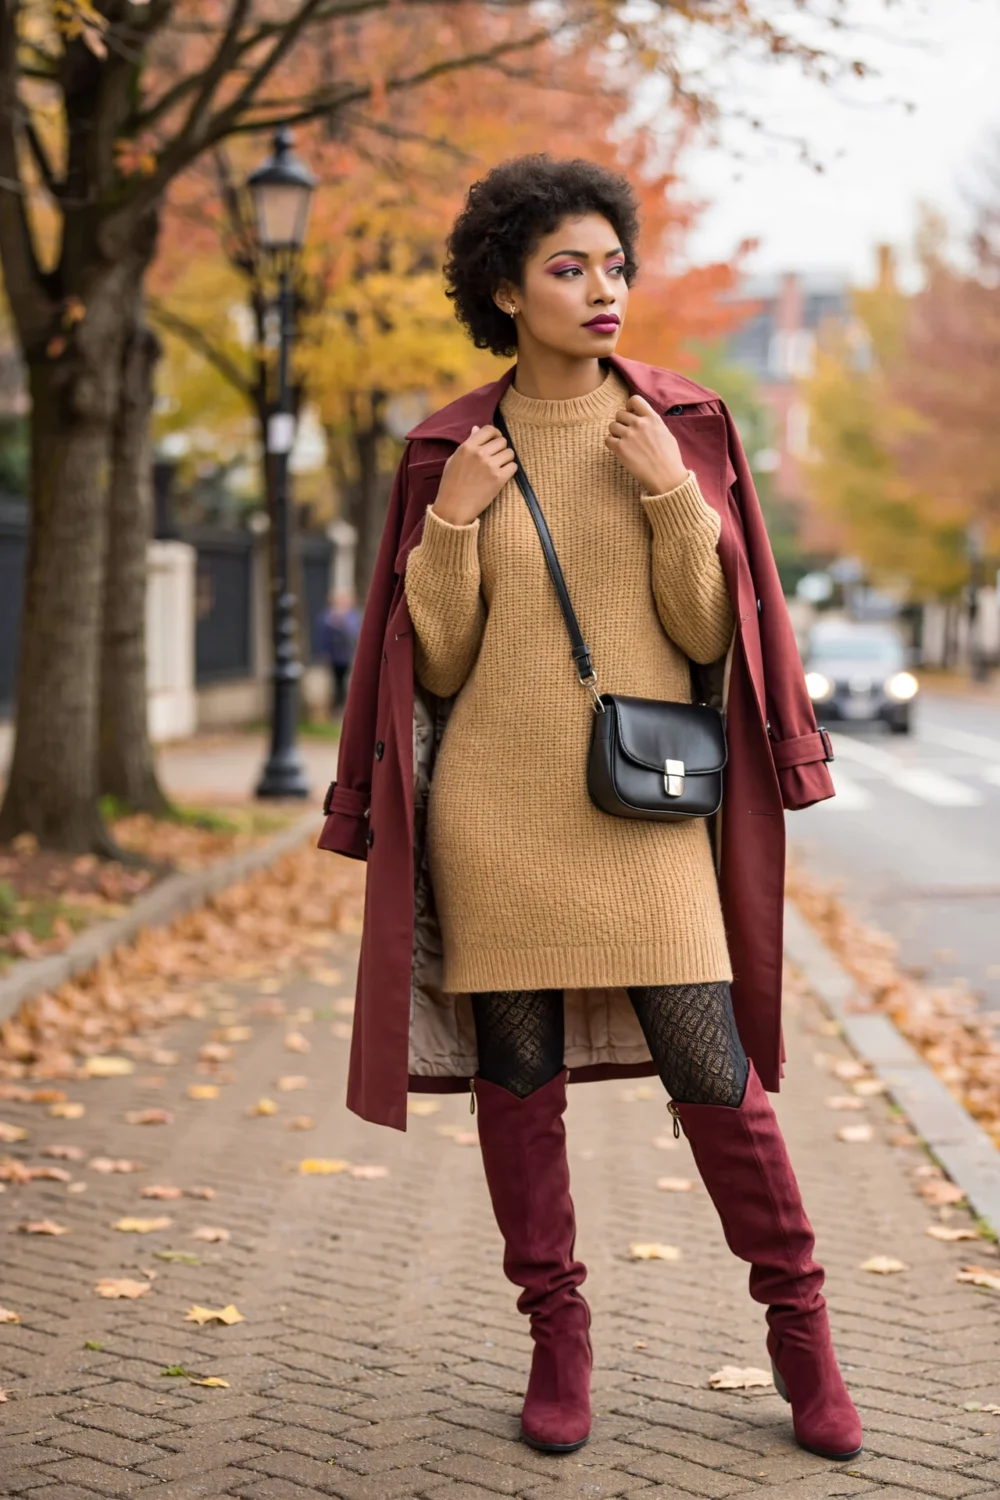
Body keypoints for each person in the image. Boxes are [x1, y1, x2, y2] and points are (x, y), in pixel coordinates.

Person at [318, 156, 859, 1464]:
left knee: (717, 1080)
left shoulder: (685, 427)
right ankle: (557, 1337)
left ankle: (803, 1334)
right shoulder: (451, 447)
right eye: (569, 268)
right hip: (497, 821)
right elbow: (433, 663)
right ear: (505, 290)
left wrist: (676, 501)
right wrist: (450, 528)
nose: (604, 289)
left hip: (650, 819)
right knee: (520, 1084)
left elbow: (700, 631)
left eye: (615, 265)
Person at [312, 587, 360, 712]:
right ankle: (337, 707)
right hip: (334, 656)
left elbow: (355, 633)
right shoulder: (326, 617)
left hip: (349, 655)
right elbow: (321, 635)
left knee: (350, 682)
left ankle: (349, 706)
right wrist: (323, 652)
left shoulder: (353, 616)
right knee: (336, 682)